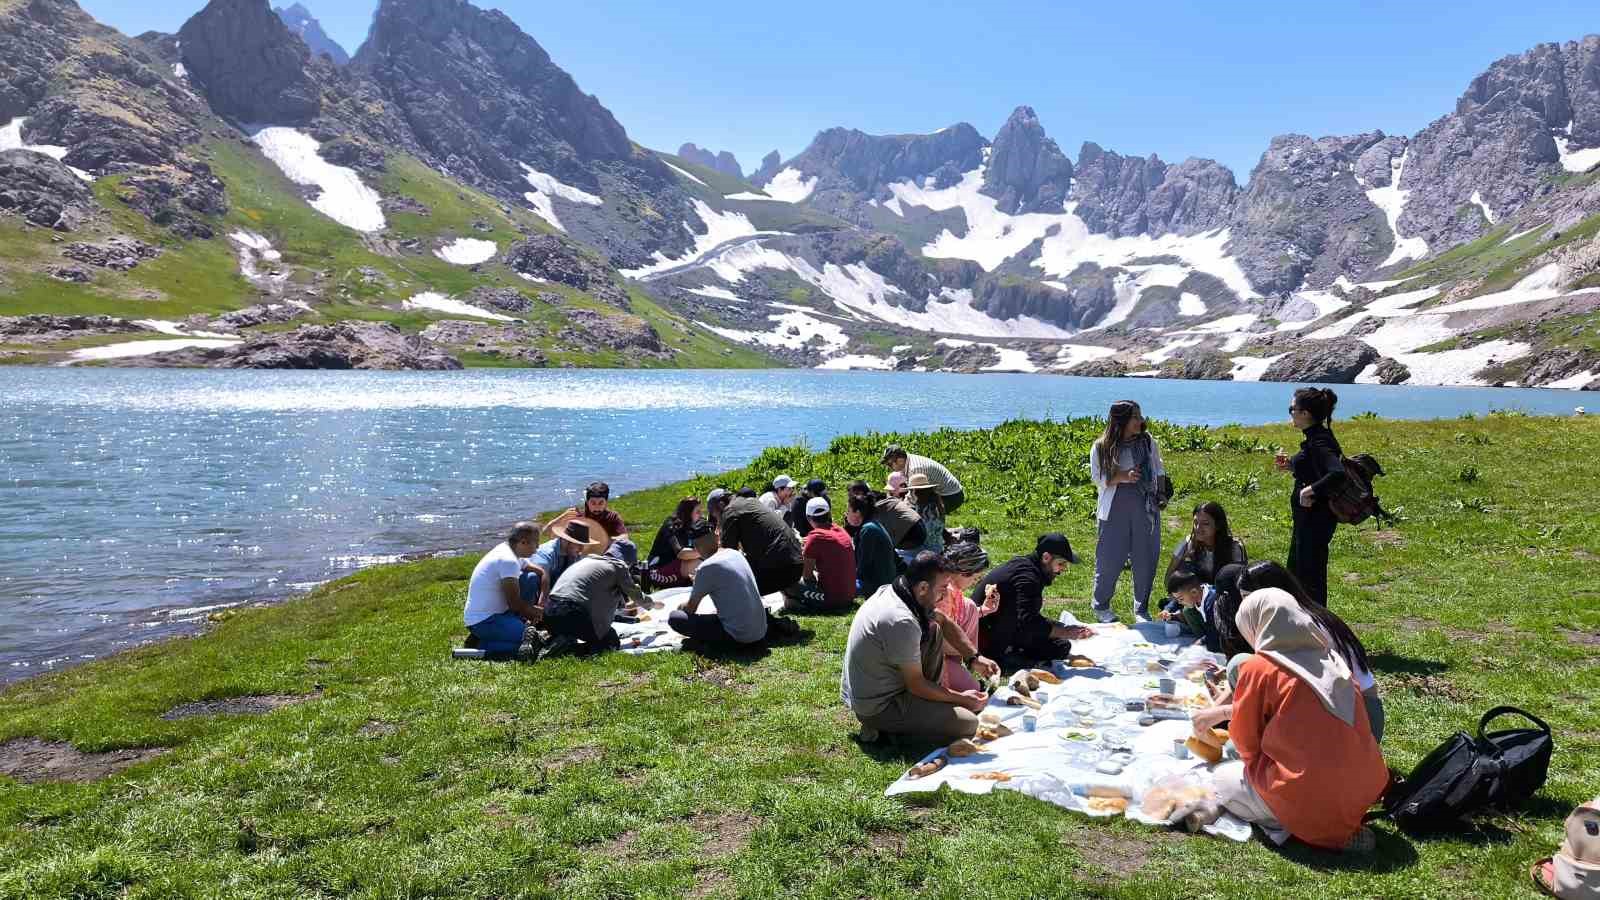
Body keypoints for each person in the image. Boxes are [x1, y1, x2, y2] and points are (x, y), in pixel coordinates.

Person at [1202, 588, 1387, 854]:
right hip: (1362, 789)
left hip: (1303, 789)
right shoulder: (1334, 661)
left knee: (1220, 780)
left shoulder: (1259, 667)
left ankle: (1299, 825)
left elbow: (1245, 741)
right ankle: (1336, 822)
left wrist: (1254, 767)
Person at [841, 551, 989, 742]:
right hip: (879, 706)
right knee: (968, 723)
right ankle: (883, 729)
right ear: (923, 588)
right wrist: (962, 699)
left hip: (890, 686)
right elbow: (917, 685)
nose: (946, 594)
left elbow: (943, 621)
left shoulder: (902, 590)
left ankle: (918, 714)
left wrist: (974, 657)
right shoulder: (901, 620)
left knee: (934, 629)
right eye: (943, 588)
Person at [1233, 561, 1384, 741]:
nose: (1244, 605)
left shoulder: (1296, 627)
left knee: (1241, 666)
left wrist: (1231, 712)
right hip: (1359, 710)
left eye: (1247, 598)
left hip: (1357, 720)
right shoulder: (1303, 615)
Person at [1089, 400, 1167, 623]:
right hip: (1114, 510)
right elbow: (1098, 478)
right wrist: (1123, 476)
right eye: (1135, 417)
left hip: (1145, 507)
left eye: (1140, 415)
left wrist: (1161, 494)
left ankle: (1141, 609)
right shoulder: (1101, 446)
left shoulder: (1148, 441)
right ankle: (1101, 606)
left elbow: (1159, 469)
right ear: (1121, 420)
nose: (1141, 421)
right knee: (1109, 559)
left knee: (1145, 559)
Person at [975, 533, 1095, 673]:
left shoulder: (1029, 568)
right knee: (1054, 646)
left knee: (1060, 646)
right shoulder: (1027, 578)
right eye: (1061, 563)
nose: (1063, 569)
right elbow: (1027, 622)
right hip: (985, 635)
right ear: (1046, 557)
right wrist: (1065, 631)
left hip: (1002, 624)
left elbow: (1029, 616)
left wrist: (1063, 628)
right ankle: (1005, 656)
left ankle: (1014, 652)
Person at [1277, 387, 1346, 606]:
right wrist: (1291, 466)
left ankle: (1317, 622)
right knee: (1300, 572)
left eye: (1292, 409)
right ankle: (1305, 619)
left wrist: (1309, 490)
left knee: (1310, 575)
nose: (1291, 413)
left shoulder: (1320, 441)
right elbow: (1317, 469)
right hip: (1307, 519)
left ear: (1305, 413)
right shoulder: (1316, 437)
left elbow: (1337, 473)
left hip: (1316, 519)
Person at [668, 544, 797, 646]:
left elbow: (690, 609)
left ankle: (704, 643)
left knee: (675, 618)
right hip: (761, 631)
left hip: (737, 637)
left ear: (696, 546)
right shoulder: (735, 554)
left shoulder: (705, 568)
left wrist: (682, 605)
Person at [543, 544, 644, 656]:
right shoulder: (618, 565)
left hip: (549, 612)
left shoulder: (586, 561)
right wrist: (653, 603)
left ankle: (546, 643)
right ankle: (567, 650)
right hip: (572, 613)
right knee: (610, 641)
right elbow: (637, 596)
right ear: (628, 560)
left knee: (570, 631)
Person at [462, 522, 546, 657]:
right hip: (485, 620)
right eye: (536, 542)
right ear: (523, 542)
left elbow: (541, 572)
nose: (538, 547)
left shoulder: (510, 550)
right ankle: (480, 644)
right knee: (533, 642)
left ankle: (507, 631)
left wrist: (542, 602)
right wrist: (534, 613)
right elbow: (514, 603)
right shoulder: (508, 561)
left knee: (530, 577)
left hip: (498, 614)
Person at [934, 542, 1001, 693]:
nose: (975, 582)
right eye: (975, 577)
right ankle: (965, 667)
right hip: (931, 656)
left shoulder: (952, 589)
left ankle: (964, 666)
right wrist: (968, 653)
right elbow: (938, 638)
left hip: (947, 652)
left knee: (970, 606)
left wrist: (984, 610)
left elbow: (959, 614)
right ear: (963, 572)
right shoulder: (943, 592)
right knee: (975, 692)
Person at [717, 492, 805, 594]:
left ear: (721, 505)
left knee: (731, 580)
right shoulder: (754, 503)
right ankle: (792, 596)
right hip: (797, 567)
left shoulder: (731, 509)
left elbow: (728, 554)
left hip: (778, 571)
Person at [783, 497, 857, 613]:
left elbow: (807, 576)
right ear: (829, 514)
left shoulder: (815, 537)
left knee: (785, 582)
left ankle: (800, 606)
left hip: (832, 600)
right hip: (850, 594)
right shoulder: (841, 530)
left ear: (808, 518)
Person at [547, 482, 635, 565]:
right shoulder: (578, 516)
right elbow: (547, 531)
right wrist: (562, 516)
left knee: (629, 545)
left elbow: (624, 538)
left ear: (606, 502)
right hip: (580, 557)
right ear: (587, 502)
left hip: (605, 555)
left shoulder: (612, 517)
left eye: (601, 503)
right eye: (593, 503)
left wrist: (602, 540)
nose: (597, 507)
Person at [526, 518, 606, 609]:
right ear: (567, 541)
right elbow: (543, 576)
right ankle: (526, 613)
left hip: (554, 591)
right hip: (537, 591)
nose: (581, 549)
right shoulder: (546, 553)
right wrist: (543, 603)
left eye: (582, 545)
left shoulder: (574, 554)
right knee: (531, 577)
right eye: (579, 544)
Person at [1165, 501, 1248, 585]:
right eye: (1196, 522)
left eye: (1205, 523)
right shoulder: (1188, 544)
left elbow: (1241, 582)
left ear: (1218, 525)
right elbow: (1168, 579)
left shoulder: (1234, 547)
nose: (1198, 528)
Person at [646, 496, 712, 588]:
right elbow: (681, 553)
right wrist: (707, 552)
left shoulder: (692, 525)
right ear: (688, 513)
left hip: (676, 568)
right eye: (697, 512)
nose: (701, 515)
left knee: (708, 561)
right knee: (700, 564)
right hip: (656, 572)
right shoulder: (671, 525)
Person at [882, 444, 965, 512]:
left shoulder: (915, 469)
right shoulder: (908, 460)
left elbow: (914, 496)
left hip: (951, 495)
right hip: (940, 492)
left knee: (922, 513)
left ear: (899, 460)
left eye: (889, 464)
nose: (889, 467)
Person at [851, 493, 898, 599]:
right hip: (882, 582)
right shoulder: (872, 524)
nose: (846, 514)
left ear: (857, 513)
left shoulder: (868, 530)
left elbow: (863, 565)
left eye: (849, 511)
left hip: (876, 585)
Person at [1159, 567, 1217, 645]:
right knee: (1187, 610)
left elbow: (1217, 632)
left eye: (1181, 599)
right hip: (1211, 629)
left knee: (1187, 611)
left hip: (1224, 638)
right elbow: (1176, 601)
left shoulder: (1211, 604)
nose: (1179, 602)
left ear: (1194, 592)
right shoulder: (1198, 592)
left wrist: (1201, 642)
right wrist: (1168, 611)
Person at [908, 473, 947, 555]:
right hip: (938, 550)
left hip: (922, 553)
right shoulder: (938, 506)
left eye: (911, 491)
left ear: (915, 492)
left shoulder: (918, 511)